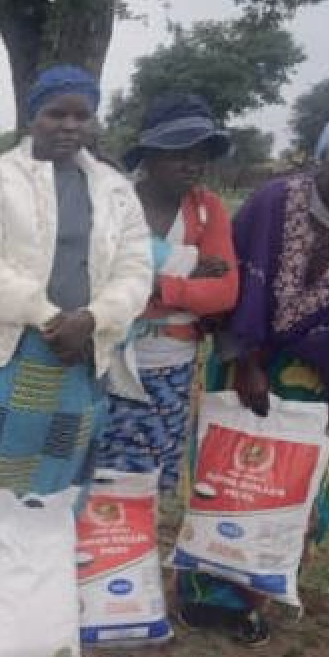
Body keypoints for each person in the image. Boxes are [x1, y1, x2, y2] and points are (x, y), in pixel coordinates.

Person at [0, 66, 153, 657]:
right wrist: (50, 315)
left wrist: (96, 318)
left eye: (82, 115)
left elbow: (136, 271)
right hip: (12, 350)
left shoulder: (114, 188)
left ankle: (27, 609)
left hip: (81, 358)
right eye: (58, 114)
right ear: (34, 116)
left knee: (54, 490)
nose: (69, 126)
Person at [179, 100, 329, 646]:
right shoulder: (271, 201)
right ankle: (202, 595)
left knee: (294, 490)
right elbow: (230, 281)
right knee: (227, 478)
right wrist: (243, 360)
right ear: (323, 151)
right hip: (246, 364)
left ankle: (256, 596)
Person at [96, 94, 238, 492]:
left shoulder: (208, 209)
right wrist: (187, 271)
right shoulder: (112, 201)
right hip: (102, 357)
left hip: (170, 366)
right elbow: (94, 275)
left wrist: (155, 285)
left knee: (146, 479)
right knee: (90, 468)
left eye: (201, 153)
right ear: (149, 153)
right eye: (179, 152)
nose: (192, 164)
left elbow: (224, 292)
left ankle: (129, 551)